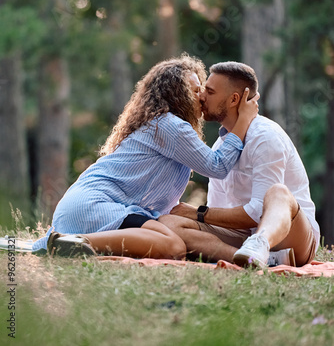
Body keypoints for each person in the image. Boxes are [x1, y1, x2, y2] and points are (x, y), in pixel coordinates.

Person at [32, 55, 259, 259]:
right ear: (176, 95)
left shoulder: (162, 125)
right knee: (172, 246)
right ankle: (75, 243)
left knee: (171, 243)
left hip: (84, 207)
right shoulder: (171, 126)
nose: (201, 96)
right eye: (194, 90)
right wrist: (243, 121)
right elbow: (217, 166)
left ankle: (69, 242)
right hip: (95, 206)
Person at [159, 61, 320, 267]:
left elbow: (257, 212)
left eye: (209, 91)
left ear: (234, 99)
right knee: (167, 224)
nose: (201, 96)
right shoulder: (221, 146)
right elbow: (216, 212)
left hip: (291, 238)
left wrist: (196, 212)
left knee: (278, 192)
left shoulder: (265, 136)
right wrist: (196, 217)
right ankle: (257, 259)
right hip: (244, 236)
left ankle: (261, 245)